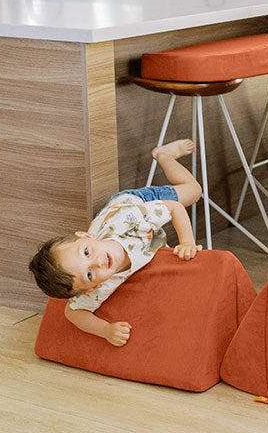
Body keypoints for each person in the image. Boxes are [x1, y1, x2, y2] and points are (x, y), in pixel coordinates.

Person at [28, 139, 203, 346]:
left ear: (85, 236)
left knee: (193, 191)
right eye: (90, 274)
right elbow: (73, 312)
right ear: (92, 288)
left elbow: (174, 208)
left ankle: (164, 155)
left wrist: (187, 242)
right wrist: (104, 330)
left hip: (133, 202)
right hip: (131, 237)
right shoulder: (99, 287)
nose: (98, 262)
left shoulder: (131, 222)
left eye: (86, 253)